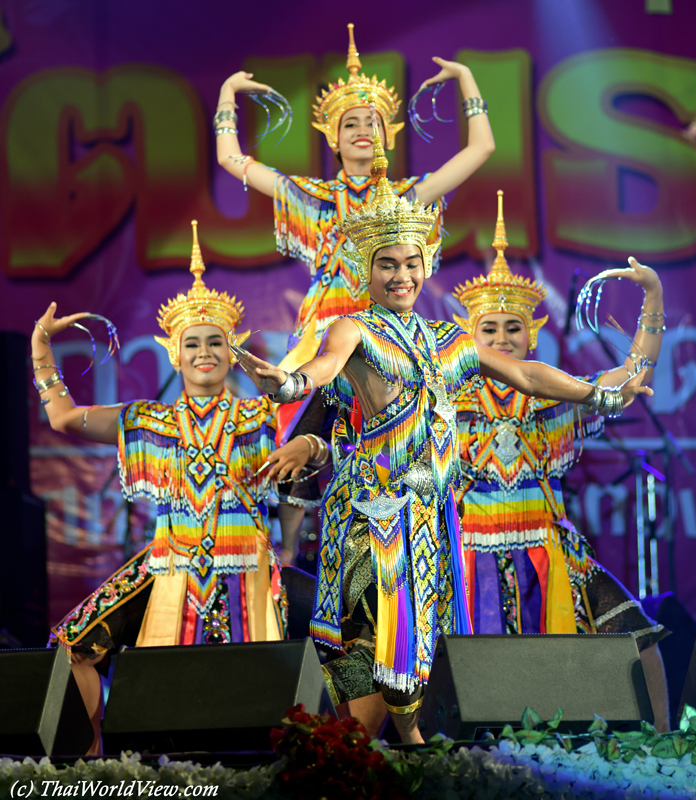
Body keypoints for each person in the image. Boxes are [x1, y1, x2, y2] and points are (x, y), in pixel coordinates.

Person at [233, 123, 653, 743]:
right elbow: (317, 373)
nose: (400, 276)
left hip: (431, 514)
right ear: (364, 268)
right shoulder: (354, 330)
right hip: (372, 507)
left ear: (425, 265)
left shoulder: (452, 340)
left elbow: (527, 373)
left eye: (410, 263)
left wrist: (599, 392)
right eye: (386, 265)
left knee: (415, 636)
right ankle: (389, 747)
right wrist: (283, 386)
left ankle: (392, 750)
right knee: (362, 633)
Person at [37, 222, 313, 753]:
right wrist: (41, 350)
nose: (205, 352)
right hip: (167, 565)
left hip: (248, 565)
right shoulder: (147, 421)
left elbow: (326, 440)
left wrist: (307, 444)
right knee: (73, 643)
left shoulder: (261, 414)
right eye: (193, 343)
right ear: (173, 353)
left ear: (233, 353)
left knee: (260, 694)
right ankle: (98, 760)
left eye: (217, 342)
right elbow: (66, 419)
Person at [452, 191, 670, 731]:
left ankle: (665, 747)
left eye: (513, 328)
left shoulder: (558, 396)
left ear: (532, 334)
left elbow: (634, 371)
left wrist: (654, 296)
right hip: (467, 553)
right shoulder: (443, 404)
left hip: (551, 549)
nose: (502, 338)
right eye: (490, 330)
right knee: (417, 659)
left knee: (635, 635)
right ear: (470, 338)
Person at [216, 24, 495, 373]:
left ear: (388, 136)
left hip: (388, 325)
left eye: (371, 122)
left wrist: (466, 78)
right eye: (350, 124)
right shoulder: (310, 196)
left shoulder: (407, 197)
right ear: (333, 139)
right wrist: (228, 92)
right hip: (324, 329)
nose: (362, 130)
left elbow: (482, 147)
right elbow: (229, 159)